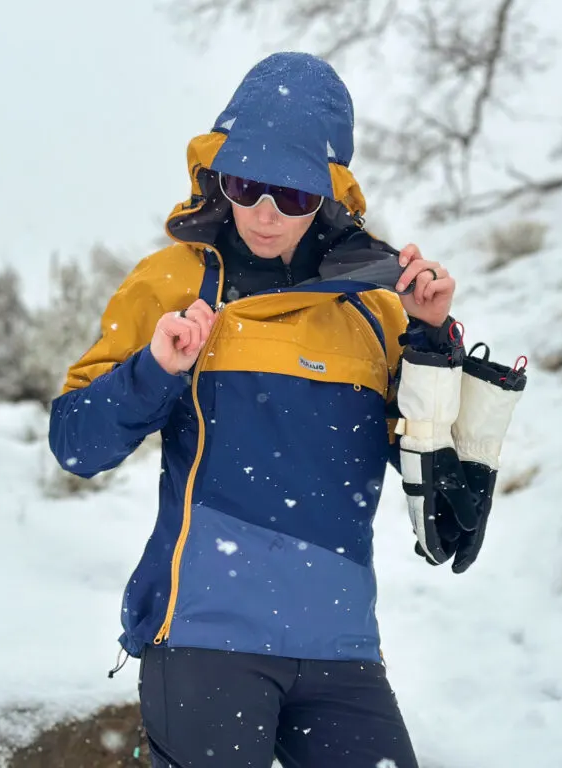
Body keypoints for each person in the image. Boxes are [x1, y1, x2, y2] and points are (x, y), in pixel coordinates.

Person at [49, 51, 527, 768]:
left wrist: (433, 337)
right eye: (246, 186)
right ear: (219, 176)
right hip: (203, 637)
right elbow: (76, 444)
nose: (265, 215)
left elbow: (444, 489)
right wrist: (156, 369)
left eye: (293, 196)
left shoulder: (375, 308)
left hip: (341, 650)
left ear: (328, 195)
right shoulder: (171, 282)